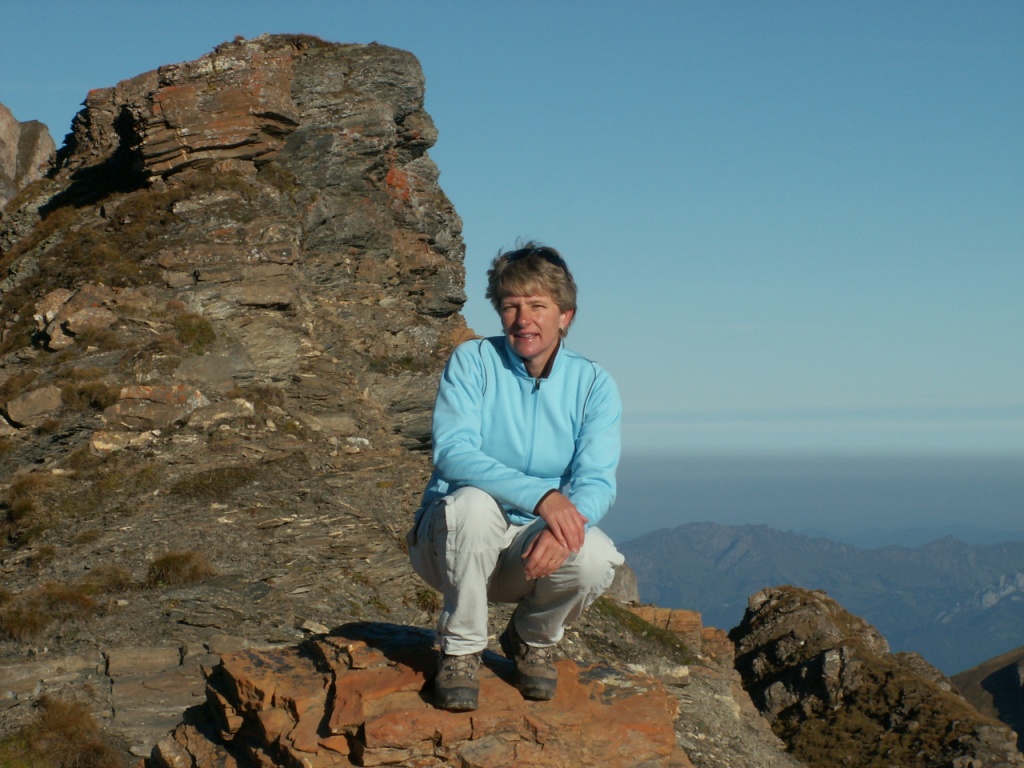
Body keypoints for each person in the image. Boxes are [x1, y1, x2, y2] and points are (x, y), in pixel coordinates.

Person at [406, 242, 624, 712]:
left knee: (595, 555)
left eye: (537, 306)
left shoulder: (593, 385)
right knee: (472, 504)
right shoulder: (473, 362)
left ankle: (530, 639)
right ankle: (461, 651)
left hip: (528, 551)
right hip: (450, 541)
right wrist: (544, 498)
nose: (523, 319)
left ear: (565, 315)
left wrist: (564, 525)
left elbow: (597, 481)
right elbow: (453, 453)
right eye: (511, 306)